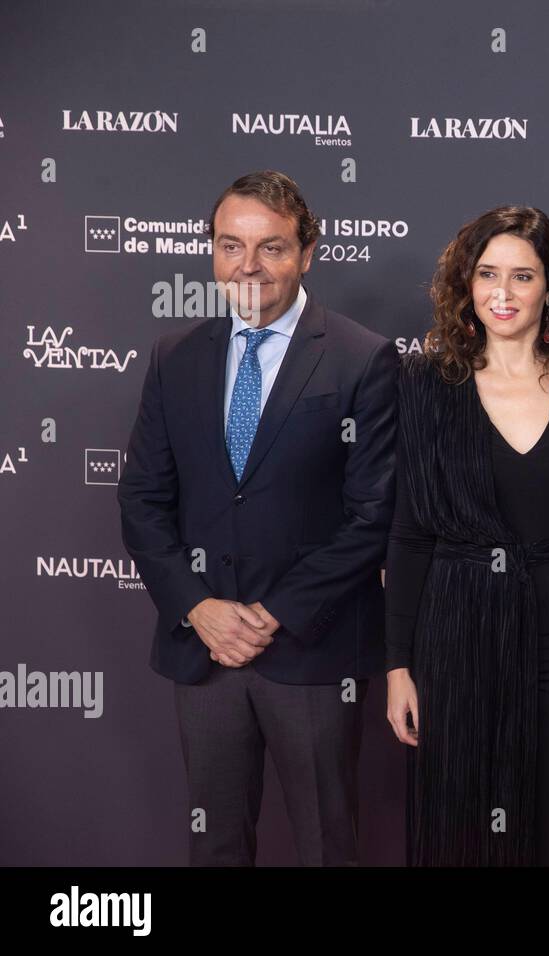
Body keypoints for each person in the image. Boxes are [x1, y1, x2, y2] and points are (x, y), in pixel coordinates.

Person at [117, 170, 398, 865]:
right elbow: (142, 499)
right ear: (211, 253)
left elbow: (372, 515)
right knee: (214, 845)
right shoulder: (174, 356)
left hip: (311, 650)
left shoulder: (363, 359)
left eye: (271, 247)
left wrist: (272, 613)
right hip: (205, 652)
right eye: (230, 245)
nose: (249, 266)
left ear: (307, 253)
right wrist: (198, 607)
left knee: (327, 846)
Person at [384, 205, 549, 866]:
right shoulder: (425, 381)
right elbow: (412, 533)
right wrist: (396, 665)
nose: (502, 293)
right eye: (487, 274)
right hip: (459, 624)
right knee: (465, 822)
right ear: (465, 285)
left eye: (522, 276)